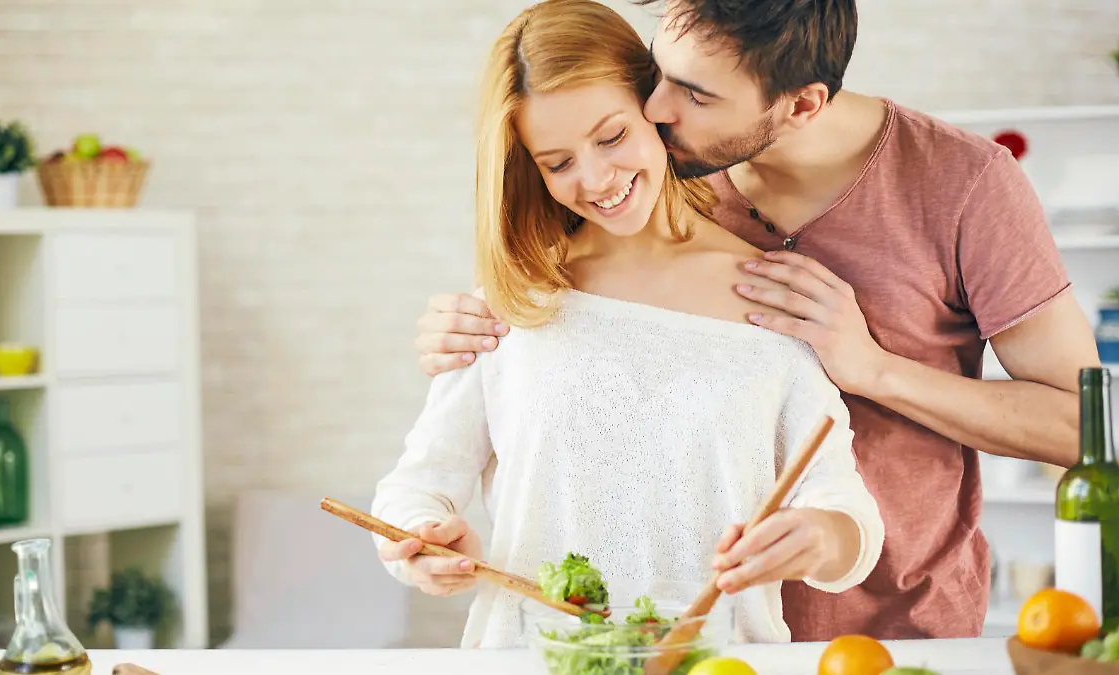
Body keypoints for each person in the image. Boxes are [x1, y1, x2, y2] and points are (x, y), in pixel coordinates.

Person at [412, 0, 1102, 642]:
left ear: (802, 104)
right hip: (711, 632)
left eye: (696, 95)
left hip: (891, 616)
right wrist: (467, 323)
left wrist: (875, 370)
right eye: (659, 72)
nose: (656, 106)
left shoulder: (964, 185)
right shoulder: (653, 167)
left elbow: (1081, 425)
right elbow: (550, 308)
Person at [372, 0, 884, 650]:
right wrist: (417, 537)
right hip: (537, 658)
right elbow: (418, 483)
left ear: (656, 105)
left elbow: (847, 511)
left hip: (722, 662)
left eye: (611, 137)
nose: (595, 179)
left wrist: (820, 537)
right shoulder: (516, 302)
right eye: (557, 163)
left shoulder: (771, 295)